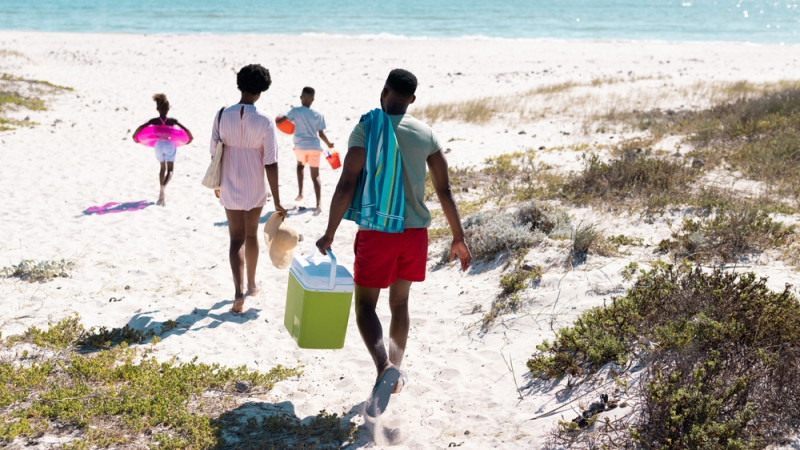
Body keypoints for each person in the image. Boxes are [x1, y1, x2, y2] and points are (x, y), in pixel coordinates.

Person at [315, 69, 472, 406]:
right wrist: (458, 237)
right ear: (412, 99)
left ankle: (383, 366)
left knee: (365, 306)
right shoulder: (425, 133)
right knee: (400, 304)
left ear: (384, 91)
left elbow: (347, 183)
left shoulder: (367, 129)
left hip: (378, 232)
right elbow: (444, 190)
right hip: (415, 234)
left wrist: (330, 231)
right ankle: (395, 372)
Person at [210, 64, 287, 313]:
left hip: (230, 181)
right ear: (262, 90)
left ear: (239, 85)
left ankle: (237, 292)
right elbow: (271, 161)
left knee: (235, 239)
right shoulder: (265, 120)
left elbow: (214, 151)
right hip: (255, 184)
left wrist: (218, 182)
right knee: (251, 235)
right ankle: (252, 285)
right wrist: (276, 199)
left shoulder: (222, 114)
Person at [276, 87, 334, 215]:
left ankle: (300, 193)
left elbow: (281, 121)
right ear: (312, 100)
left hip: (300, 147)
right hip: (314, 147)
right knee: (315, 176)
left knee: (300, 166)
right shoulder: (318, 115)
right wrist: (329, 144)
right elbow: (321, 134)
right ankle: (319, 204)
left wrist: (279, 121)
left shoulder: (295, 111)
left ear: (301, 97)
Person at [133, 93, 193, 206]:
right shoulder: (172, 121)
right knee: (170, 170)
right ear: (168, 109)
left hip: (159, 145)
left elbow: (142, 127)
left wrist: (135, 137)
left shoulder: (154, 120)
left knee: (162, 169)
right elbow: (186, 130)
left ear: (157, 109)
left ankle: (161, 192)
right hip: (170, 144)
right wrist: (189, 138)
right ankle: (163, 189)